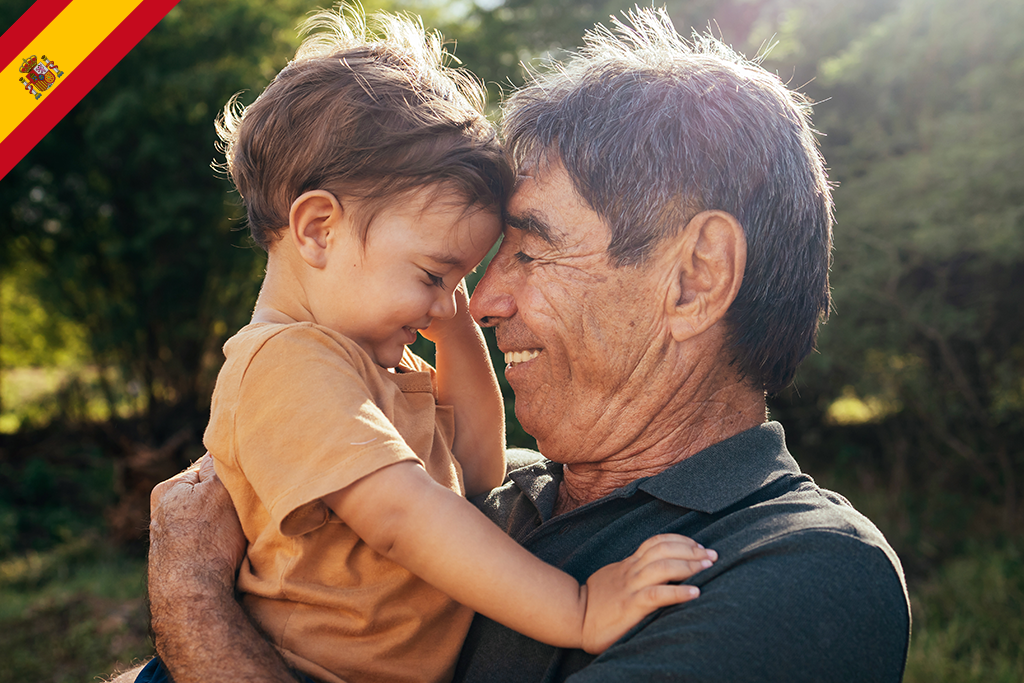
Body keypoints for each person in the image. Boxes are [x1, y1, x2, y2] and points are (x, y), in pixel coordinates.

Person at [119, 7, 911, 683]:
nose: (481, 302)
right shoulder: (501, 492)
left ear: (696, 277)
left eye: (529, 251)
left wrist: (192, 607)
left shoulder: (801, 571)